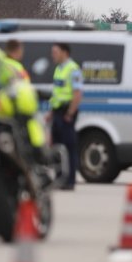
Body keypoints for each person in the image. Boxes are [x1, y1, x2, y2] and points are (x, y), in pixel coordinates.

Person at [49, 43, 83, 190]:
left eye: (55, 52)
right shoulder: (58, 69)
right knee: (56, 147)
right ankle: (59, 178)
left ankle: (69, 180)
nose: (53, 55)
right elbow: (57, 93)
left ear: (65, 52)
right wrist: (51, 112)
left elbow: (77, 94)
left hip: (66, 112)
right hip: (57, 111)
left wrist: (70, 113)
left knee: (68, 146)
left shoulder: (73, 69)